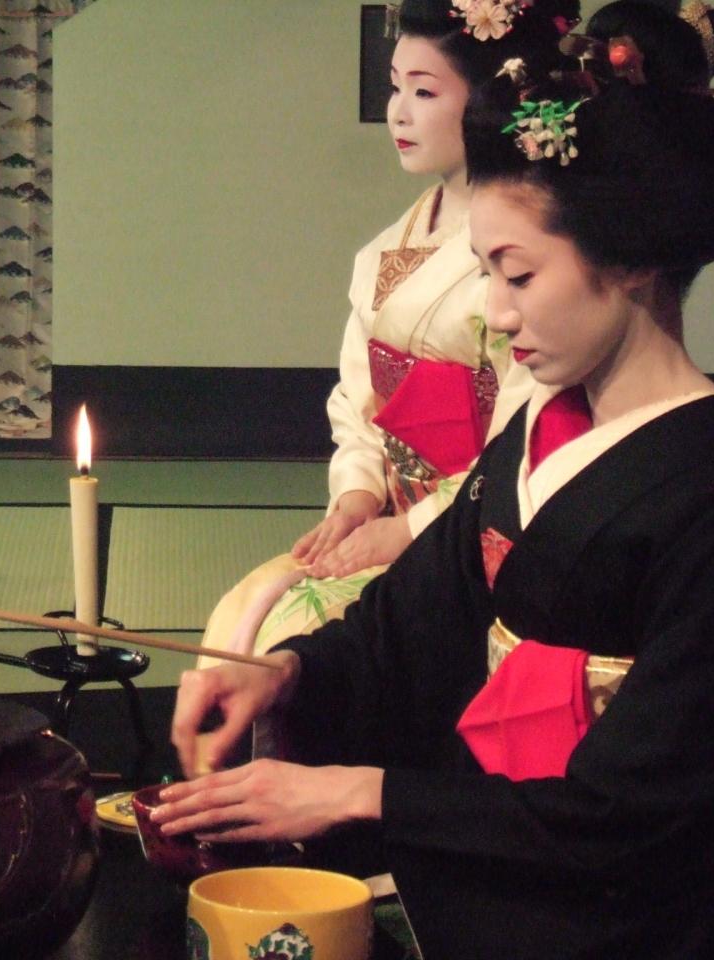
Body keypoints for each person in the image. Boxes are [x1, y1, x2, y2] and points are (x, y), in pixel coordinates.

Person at [156, 3, 714, 957]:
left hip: (641, 922)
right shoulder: (533, 438)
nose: (496, 312)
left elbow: (650, 812)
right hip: (500, 865)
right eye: (484, 273)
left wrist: (361, 792)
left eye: (517, 276)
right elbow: (413, 620)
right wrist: (287, 675)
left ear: (631, 262)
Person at [199, 0, 578, 667]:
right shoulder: (382, 253)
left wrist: (410, 531)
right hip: (391, 517)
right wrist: (357, 496)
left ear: (491, 96)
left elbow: (526, 433)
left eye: (424, 92)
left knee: (301, 644)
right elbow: (358, 401)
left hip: (479, 536)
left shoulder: (526, 263)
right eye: (395, 88)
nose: (398, 113)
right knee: (249, 615)